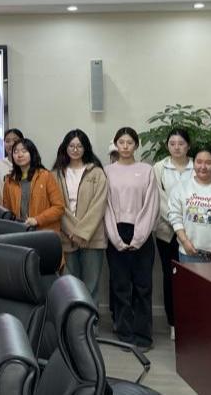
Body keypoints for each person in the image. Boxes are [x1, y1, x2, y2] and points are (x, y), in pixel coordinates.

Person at [104, 127, 159, 352]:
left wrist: (139, 237)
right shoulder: (107, 171)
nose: (125, 146)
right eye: (121, 142)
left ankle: (143, 335)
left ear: (136, 145)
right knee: (120, 286)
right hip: (116, 231)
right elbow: (106, 207)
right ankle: (124, 333)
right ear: (116, 144)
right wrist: (116, 238)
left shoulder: (147, 170)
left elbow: (151, 205)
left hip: (142, 232)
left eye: (129, 142)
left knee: (143, 286)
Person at [52, 129, 108, 304]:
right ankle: (72, 320)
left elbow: (99, 205)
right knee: (70, 286)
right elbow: (58, 206)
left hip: (92, 238)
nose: (75, 150)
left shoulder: (97, 173)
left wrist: (82, 233)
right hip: (66, 237)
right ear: (65, 147)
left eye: (79, 146)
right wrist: (73, 233)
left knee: (91, 286)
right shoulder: (55, 174)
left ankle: (90, 320)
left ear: (86, 148)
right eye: (71, 146)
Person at [152, 128, 193, 340]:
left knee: (192, 278)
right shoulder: (159, 168)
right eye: (172, 144)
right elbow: (158, 197)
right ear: (167, 145)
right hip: (167, 232)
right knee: (170, 277)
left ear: (188, 146)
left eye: (181, 143)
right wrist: (176, 223)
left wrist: (186, 225)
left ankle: (193, 321)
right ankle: (173, 322)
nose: (177, 147)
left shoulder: (197, 165)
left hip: (193, 232)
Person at [2, 138, 65, 237]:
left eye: (24, 151)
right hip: (18, 234)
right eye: (16, 152)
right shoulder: (9, 180)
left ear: (32, 153)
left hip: (44, 233)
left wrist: (37, 220)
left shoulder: (45, 176)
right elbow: (6, 211)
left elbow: (59, 207)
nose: (19, 155)